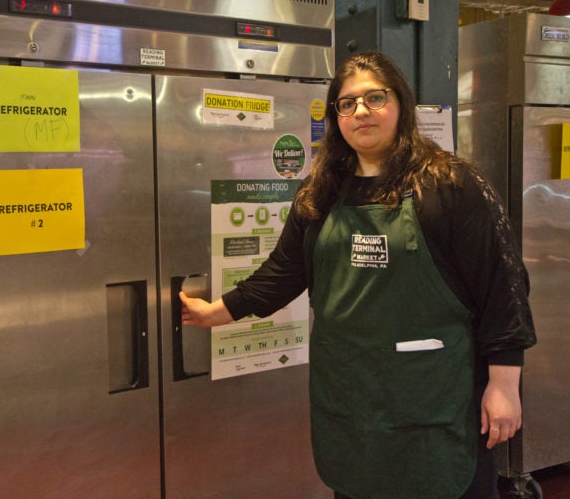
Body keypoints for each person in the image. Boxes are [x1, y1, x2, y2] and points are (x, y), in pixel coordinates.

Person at [179, 51, 537, 499]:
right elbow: (284, 272)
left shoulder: (449, 185)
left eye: (375, 98)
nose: (360, 111)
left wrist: (505, 385)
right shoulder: (322, 192)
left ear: (401, 105)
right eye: (347, 103)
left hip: (434, 397)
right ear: (336, 117)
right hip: (348, 397)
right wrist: (219, 311)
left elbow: (503, 288)